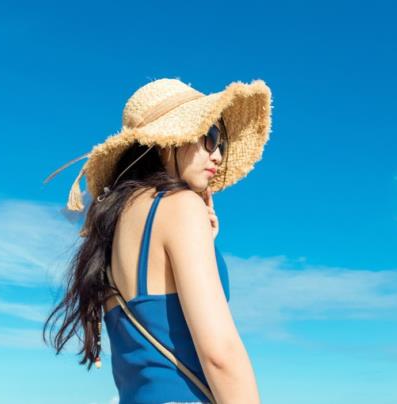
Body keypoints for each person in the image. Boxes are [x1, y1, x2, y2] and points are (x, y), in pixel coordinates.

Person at [42, 77, 273, 404]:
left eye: (221, 143)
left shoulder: (112, 229)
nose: (218, 155)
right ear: (168, 140)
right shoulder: (181, 206)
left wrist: (202, 240)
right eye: (210, 137)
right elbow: (220, 355)